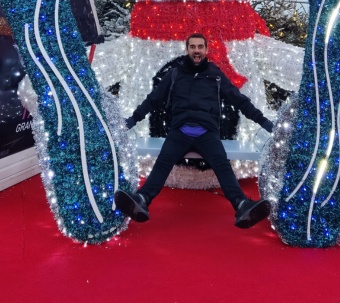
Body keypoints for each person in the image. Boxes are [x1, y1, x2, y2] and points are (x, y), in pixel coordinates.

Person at [114, 33, 273, 229]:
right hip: (179, 131)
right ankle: (142, 199)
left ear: (206, 50)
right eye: (192, 47)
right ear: (187, 49)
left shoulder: (216, 76)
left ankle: (242, 205)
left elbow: (239, 100)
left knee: (222, 165)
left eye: (200, 47)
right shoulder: (174, 74)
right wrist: (131, 121)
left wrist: (264, 122)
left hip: (207, 132)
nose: (196, 50)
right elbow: (153, 100)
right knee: (163, 163)